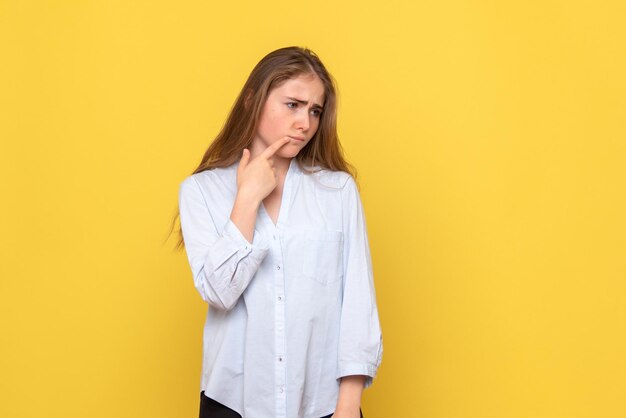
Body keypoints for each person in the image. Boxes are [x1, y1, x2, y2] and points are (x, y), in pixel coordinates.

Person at [174, 46, 383, 418]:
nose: (305, 122)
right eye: (293, 105)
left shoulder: (337, 192)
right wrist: (248, 198)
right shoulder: (201, 191)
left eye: (314, 110)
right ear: (252, 100)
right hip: (233, 403)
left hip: (321, 404)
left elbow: (357, 302)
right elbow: (220, 292)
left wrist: (349, 404)